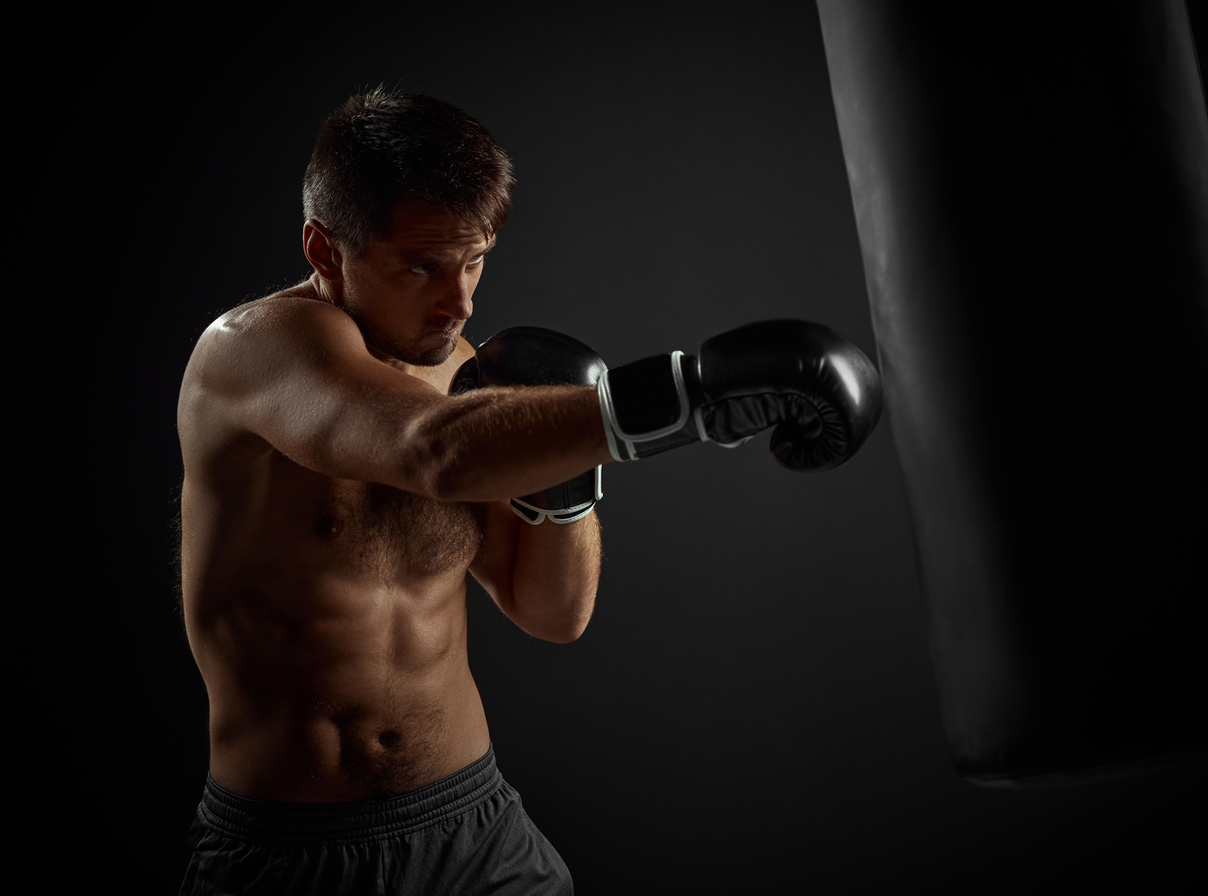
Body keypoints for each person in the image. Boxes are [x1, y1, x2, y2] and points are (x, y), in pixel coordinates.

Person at [176, 88, 882, 895]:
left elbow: (553, 612)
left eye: (475, 260)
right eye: (423, 265)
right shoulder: (254, 352)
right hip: (292, 855)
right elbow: (429, 452)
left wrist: (567, 466)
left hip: (473, 828)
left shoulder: (467, 373)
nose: (461, 299)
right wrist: (699, 396)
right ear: (326, 249)